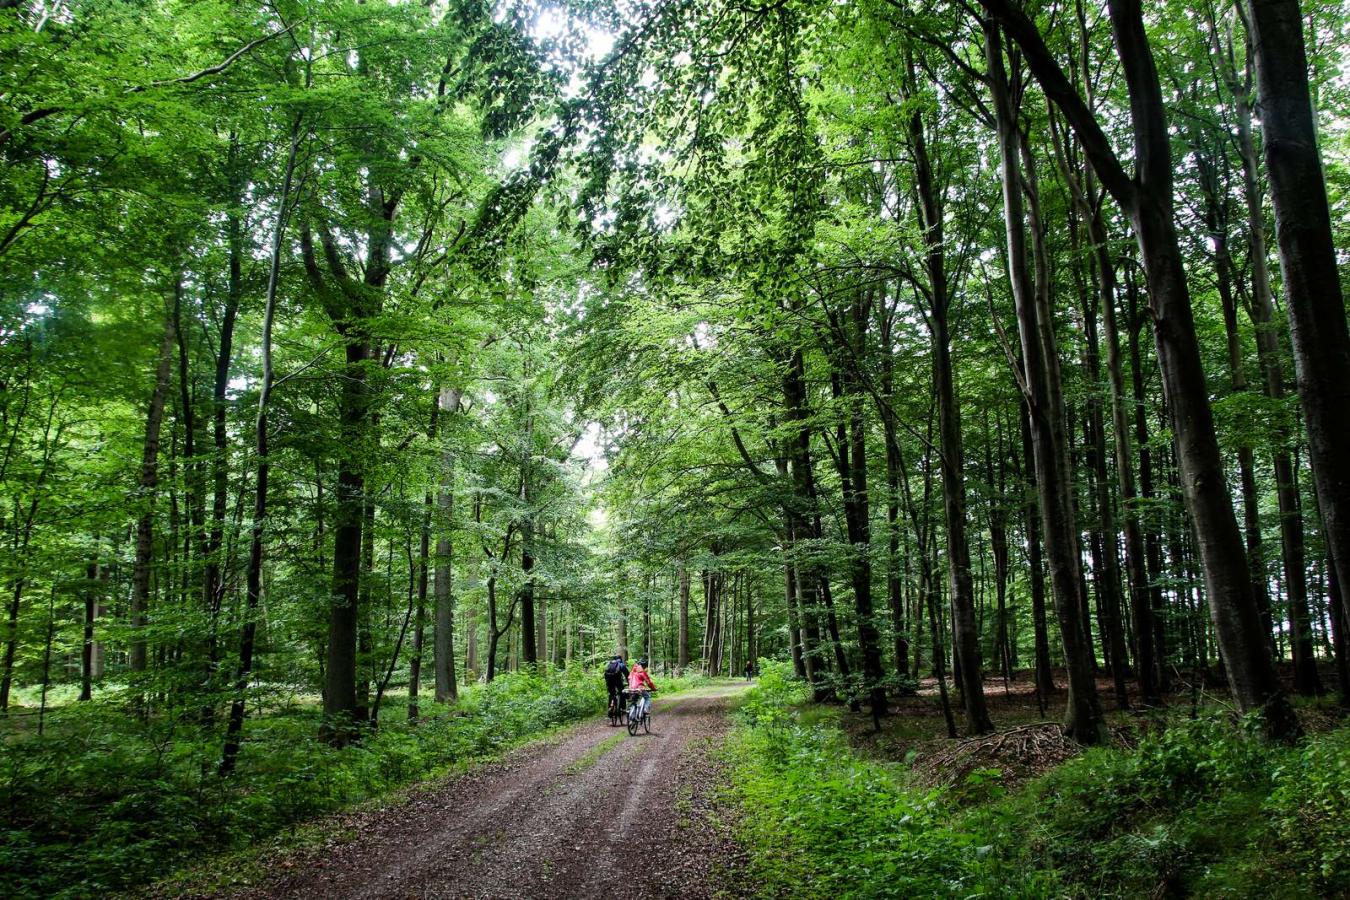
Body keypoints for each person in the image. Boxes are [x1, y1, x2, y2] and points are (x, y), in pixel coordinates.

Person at [628, 656, 657, 721]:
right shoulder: (642, 672)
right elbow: (648, 682)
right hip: (639, 687)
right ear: (644, 666)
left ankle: (632, 713)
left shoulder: (632, 671)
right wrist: (654, 688)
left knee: (634, 700)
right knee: (647, 697)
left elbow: (629, 678)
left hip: (631, 688)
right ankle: (645, 709)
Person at [603, 655, 628, 723]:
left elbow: (605, 674)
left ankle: (610, 709)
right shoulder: (621, 664)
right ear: (620, 659)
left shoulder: (609, 664)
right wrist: (629, 683)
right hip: (617, 680)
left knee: (611, 694)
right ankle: (623, 709)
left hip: (609, 680)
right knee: (622, 692)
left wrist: (607, 684)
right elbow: (627, 675)